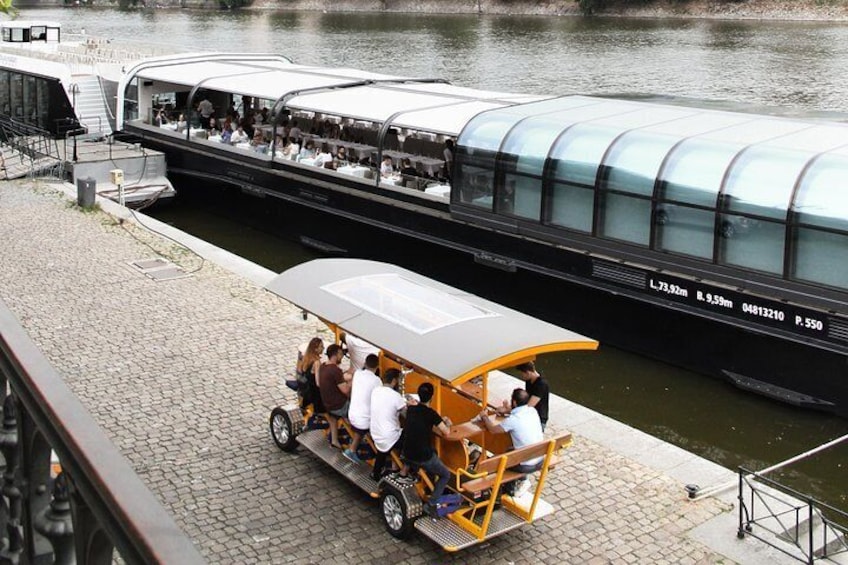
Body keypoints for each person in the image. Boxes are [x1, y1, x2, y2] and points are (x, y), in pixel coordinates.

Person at [401, 382, 455, 517]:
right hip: (422, 456)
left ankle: (416, 476)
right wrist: (446, 422)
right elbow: (446, 432)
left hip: (406, 451)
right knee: (445, 474)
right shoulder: (431, 414)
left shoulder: (411, 409)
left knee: (433, 453)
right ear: (432, 397)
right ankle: (431, 503)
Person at [479, 388, 544, 495]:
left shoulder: (513, 420)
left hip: (526, 464)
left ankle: (508, 487)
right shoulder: (533, 410)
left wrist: (484, 417)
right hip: (539, 458)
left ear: (514, 402)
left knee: (496, 461)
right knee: (509, 450)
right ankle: (515, 484)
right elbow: (518, 412)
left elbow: (492, 430)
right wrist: (507, 410)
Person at [369, 368, 407, 481]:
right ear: (395, 381)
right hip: (389, 437)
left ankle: (378, 471)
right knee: (409, 437)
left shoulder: (375, 391)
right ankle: (403, 470)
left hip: (375, 433)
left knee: (385, 443)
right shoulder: (396, 397)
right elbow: (407, 415)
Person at [344, 353, 382, 463]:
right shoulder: (377, 381)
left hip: (351, 413)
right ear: (377, 366)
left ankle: (355, 445)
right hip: (363, 420)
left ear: (365, 363)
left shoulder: (358, 374)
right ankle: (352, 450)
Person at [318, 343, 351, 449]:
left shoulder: (323, 366)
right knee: (358, 411)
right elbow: (345, 390)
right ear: (335, 355)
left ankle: (334, 440)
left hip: (327, 404)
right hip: (339, 406)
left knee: (333, 418)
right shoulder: (335, 370)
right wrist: (353, 381)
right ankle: (357, 439)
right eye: (341, 354)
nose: (342, 357)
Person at [514, 361, 550, 431]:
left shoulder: (541, 384)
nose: (521, 376)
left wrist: (511, 410)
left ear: (528, 373)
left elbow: (529, 405)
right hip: (529, 415)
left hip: (539, 419)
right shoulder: (529, 380)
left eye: (522, 374)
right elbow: (525, 399)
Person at [297, 337, 325, 413]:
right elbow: (318, 383)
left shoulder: (306, 358)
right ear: (316, 349)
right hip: (314, 394)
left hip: (306, 391)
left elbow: (300, 370)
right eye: (321, 346)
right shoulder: (316, 362)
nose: (323, 348)